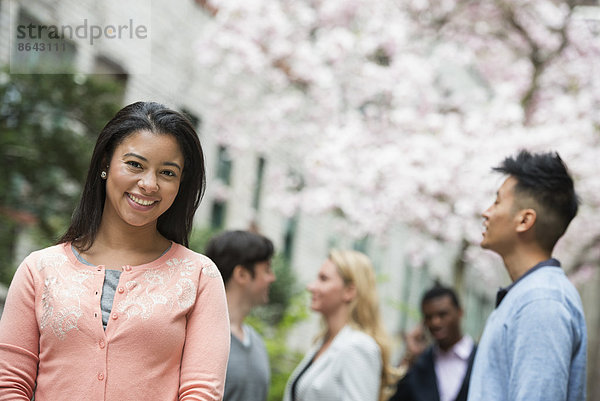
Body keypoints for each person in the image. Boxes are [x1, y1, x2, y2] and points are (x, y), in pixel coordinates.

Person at [0, 102, 231, 400]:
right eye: (135, 164)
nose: (149, 184)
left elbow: (202, 392)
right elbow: (9, 384)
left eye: (167, 173)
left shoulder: (199, 277)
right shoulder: (40, 269)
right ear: (105, 164)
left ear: (181, 183)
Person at [467, 150, 587, 401]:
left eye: (498, 201)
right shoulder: (529, 295)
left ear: (524, 220)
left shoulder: (541, 301)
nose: (486, 212)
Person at [283, 249, 396, 401]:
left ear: (349, 291)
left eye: (323, 279)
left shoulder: (358, 347)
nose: (311, 287)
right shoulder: (324, 343)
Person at [204, 230, 276, 401]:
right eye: (266, 270)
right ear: (242, 274)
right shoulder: (202, 338)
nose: (272, 278)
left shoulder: (257, 342)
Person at [390, 285, 477, 401]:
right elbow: (393, 396)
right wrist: (410, 357)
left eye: (442, 315)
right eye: (429, 317)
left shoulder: (481, 359)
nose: (435, 322)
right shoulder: (420, 362)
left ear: (460, 312)